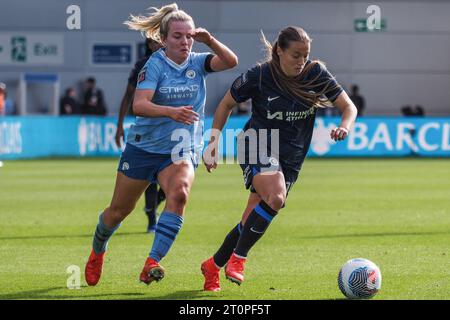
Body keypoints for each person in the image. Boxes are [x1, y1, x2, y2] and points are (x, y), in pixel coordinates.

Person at [84, 2, 238, 287]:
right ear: (163, 39)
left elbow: (231, 62)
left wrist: (210, 40)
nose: (185, 41)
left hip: (181, 148)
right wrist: (171, 111)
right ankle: (98, 250)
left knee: (179, 194)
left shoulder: (198, 62)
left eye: (189, 35)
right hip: (144, 147)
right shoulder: (153, 65)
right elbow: (139, 105)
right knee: (118, 211)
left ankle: (152, 262)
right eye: (178, 36)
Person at [200, 26, 358, 291]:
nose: (301, 61)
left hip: (292, 157)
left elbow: (348, 107)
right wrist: (213, 144)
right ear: (279, 51)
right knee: (276, 197)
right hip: (257, 143)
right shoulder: (260, 76)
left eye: (305, 55)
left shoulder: (315, 74)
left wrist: (345, 125)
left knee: (249, 220)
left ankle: (212, 265)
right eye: (296, 55)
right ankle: (238, 260)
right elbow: (226, 104)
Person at [115, 37, 166, 233]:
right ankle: (152, 218)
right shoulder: (142, 65)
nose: (156, 46)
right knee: (151, 178)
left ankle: (153, 205)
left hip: (173, 129)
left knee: (179, 179)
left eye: (158, 41)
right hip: (150, 130)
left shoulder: (180, 61)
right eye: (152, 43)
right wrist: (119, 125)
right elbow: (128, 95)